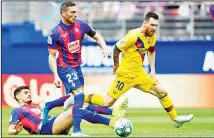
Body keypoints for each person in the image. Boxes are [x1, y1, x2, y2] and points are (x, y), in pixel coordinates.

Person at [79, 12, 193, 128]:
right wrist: (116, 65)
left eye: (156, 26)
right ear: (145, 23)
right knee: (107, 102)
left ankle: (175, 118)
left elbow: (152, 51)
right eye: (152, 25)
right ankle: (77, 98)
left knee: (162, 92)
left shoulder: (152, 36)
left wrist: (153, 70)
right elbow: (116, 48)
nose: (154, 28)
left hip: (139, 75)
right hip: (125, 75)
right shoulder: (133, 36)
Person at [47, 1, 110, 136]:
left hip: (77, 66)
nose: (76, 15)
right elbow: (52, 56)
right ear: (63, 13)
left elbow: (97, 36)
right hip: (64, 67)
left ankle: (49, 105)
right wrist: (55, 75)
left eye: (76, 12)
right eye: (72, 12)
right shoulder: (55, 33)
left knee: (79, 100)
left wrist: (104, 47)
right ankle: (77, 131)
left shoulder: (81, 25)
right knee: (80, 96)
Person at [8, 86, 124, 135]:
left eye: (29, 92)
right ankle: (111, 123)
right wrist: (16, 131)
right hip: (46, 128)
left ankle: (113, 112)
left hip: (53, 122)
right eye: (25, 93)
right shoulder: (17, 111)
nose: (29, 94)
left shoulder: (33, 107)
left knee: (83, 105)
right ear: (18, 97)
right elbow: (10, 130)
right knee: (77, 109)